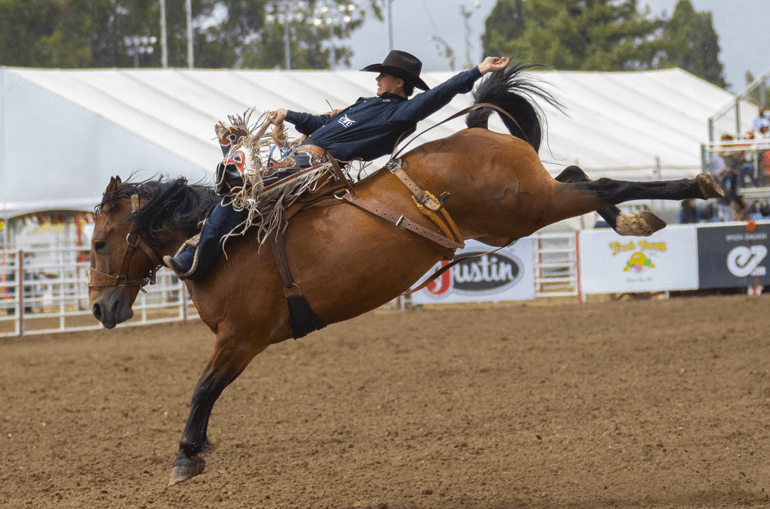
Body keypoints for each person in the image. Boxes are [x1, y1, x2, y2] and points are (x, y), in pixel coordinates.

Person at [164, 50, 511, 280]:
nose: (377, 80)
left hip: (315, 165)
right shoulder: (364, 105)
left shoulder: (400, 113)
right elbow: (322, 125)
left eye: (383, 75)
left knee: (243, 186)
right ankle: (207, 239)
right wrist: (289, 115)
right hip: (302, 155)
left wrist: (476, 71)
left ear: (398, 82)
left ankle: (197, 260)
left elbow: (437, 96)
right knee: (234, 171)